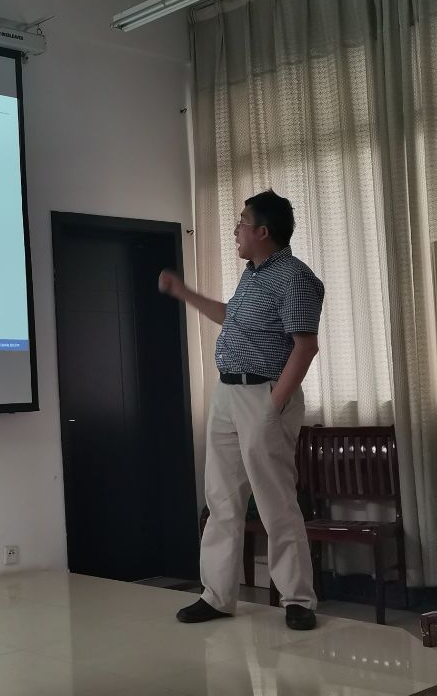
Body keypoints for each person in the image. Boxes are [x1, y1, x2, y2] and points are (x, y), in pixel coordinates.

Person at [159, 189, 323, 631]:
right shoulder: (252, 275)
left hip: (265, 396)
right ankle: (216, 596)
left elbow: (305, 347)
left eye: (242, 223)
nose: (236, 230)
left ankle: (297, 599)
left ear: (262, 232)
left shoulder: (295, 279)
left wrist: (273, 405)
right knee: (222, 500)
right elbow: (231, 316)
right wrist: (185, 293)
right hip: (228, 395)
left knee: (275, 502)